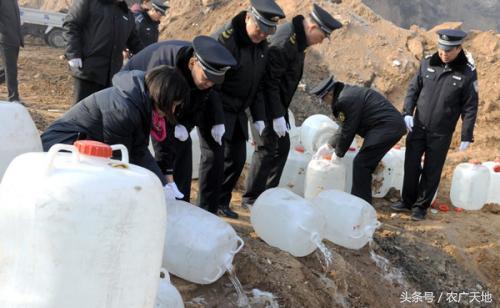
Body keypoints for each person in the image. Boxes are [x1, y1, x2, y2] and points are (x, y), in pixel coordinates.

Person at [242, 4, 342, 208]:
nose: (320, 42)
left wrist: (281, 114)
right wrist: (277, 116)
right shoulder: (286, 40)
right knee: (267, 148)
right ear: (313, 28)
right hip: (262, 102)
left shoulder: (298, 42)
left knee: (282, 147)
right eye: (322, 37)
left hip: (276, 103)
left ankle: (267, 195)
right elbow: (270, 82)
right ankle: (251, 198)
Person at [41, 66, 190, 199]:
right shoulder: (123, 109)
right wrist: (157, 187)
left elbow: (138, 149)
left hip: (81, 153)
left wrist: (162, 183)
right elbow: (120, 159)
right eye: (174, 105)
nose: (174, 111)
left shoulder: (137, 100)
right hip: (62, 151)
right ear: (163, 97)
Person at [197, 0, 285, 218]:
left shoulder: (261, 47)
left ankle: (221, 201)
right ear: (248, 17)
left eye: (268, 30)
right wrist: (216, 119)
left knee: (236, 159)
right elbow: (211, 83)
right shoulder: (226, 40)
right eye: (260, 27)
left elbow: (257, 84)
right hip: (215, 105)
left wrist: (259, 118)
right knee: (214, 158)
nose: (263, 34)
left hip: (237, 111)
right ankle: (204, 208)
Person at [122, 35, 236, 201]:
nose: (210, 84)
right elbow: (159, 128)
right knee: (140, 147)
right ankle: (146, 197)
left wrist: (188, 124)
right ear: (192, 64)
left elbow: (200, 98)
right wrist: (166, 172)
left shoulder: (204, 71)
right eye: (207, 79)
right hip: (136, 96)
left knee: (183, 143)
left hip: (165, 100)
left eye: (214, 81)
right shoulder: (166, 68)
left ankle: (181, 200)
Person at [391, 29, 478, 221]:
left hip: (441, 131)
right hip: (418, 125)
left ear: (458, 48)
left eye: (448, 50)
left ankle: (420, 206)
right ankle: (407, 201)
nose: (443, 54)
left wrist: (466, 134)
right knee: (411, 164)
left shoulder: (467, 72)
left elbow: (470, 106)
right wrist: (407, 113)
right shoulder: (427, 63)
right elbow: (413, 90)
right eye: (441, 49)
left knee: (432, 169)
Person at [311, 76, 406, 205]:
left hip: (385, 128)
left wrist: (338, 154)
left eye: (323, 99)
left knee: (361, 164)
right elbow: (345, 125)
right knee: (365, 164)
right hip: (386, 127)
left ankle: (360, 204)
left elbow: (349, 129)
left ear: (329, 94)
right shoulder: (345, 94)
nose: (325, 103)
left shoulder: (344, 100)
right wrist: (329, 145)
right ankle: (363, 199)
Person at [63, 0, 144, 104]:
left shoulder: (127, 14)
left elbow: (134, 41)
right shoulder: (89, 3)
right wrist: (73, 54)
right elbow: (71, 25)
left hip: (111, 75)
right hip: (87, 70)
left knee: (100, 113)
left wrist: (151, 55)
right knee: (80, 111)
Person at [0, 0, 23, 102]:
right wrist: (4, 31)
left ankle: (13, 97)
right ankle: (13, 98)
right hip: (6, 39)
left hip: (14, 39)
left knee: (8, 70)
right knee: (11, 70)